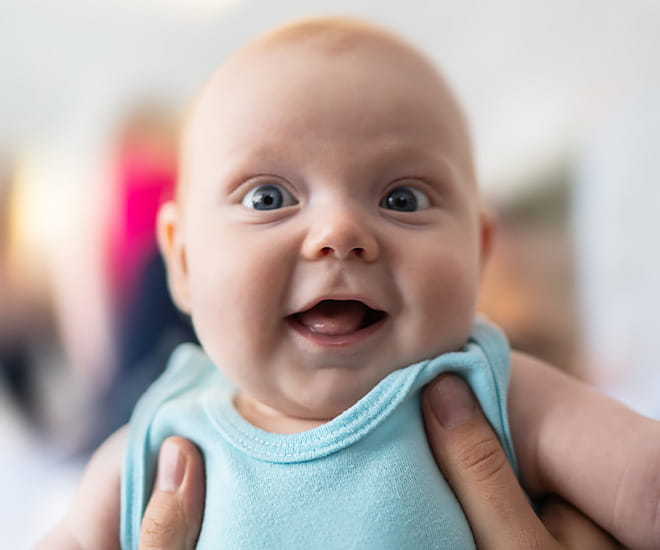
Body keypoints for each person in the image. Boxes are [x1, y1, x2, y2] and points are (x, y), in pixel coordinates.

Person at [41, 17, 658, 548]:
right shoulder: (159, 441)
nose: (338, 232)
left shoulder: (494, 390)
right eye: (269, 196)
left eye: (403, 197)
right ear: (182, 263)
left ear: (478, 249)